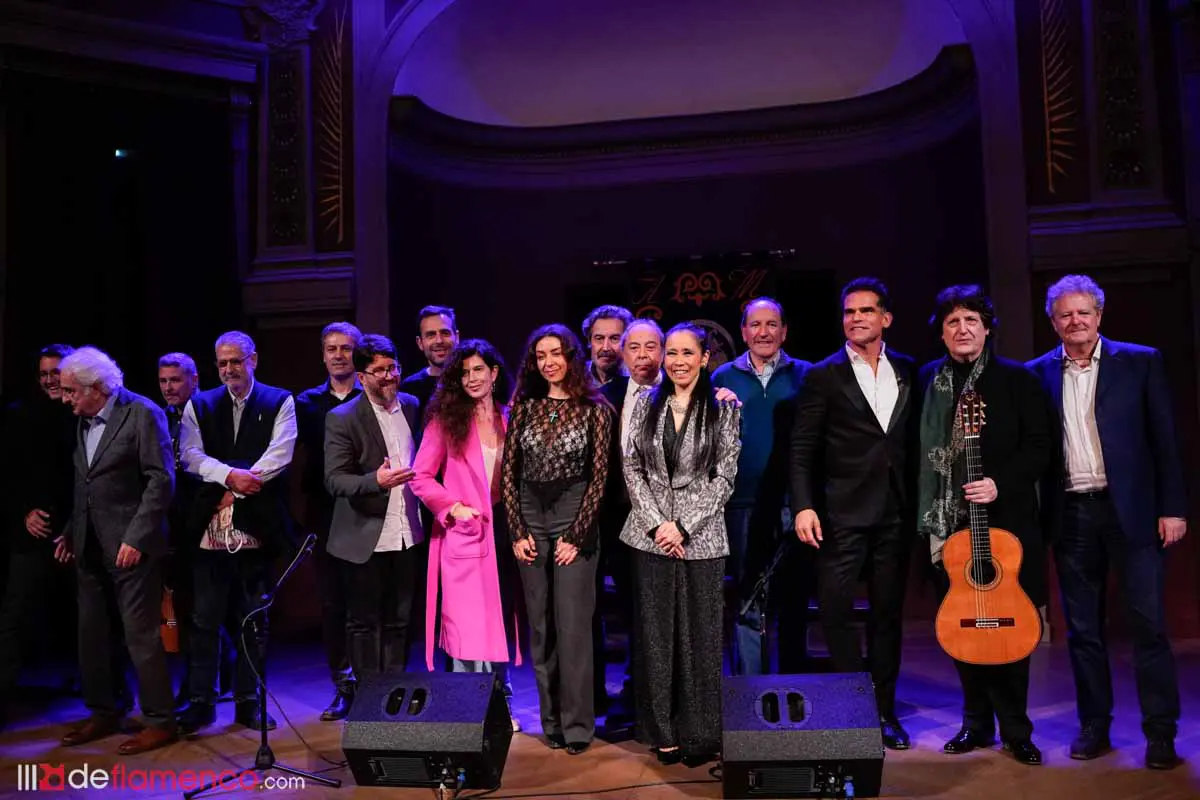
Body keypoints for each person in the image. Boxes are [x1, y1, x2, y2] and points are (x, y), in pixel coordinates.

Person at [1027, 275, 1186, 770]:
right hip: (1072, 512)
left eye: (1084, 313)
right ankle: (1094, 725)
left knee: (1148, 626)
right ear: (1053, 322)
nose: (1075, 321)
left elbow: (1165, 440)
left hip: (1132, 510)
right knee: (1083, 631)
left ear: (1099, 316)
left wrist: (1173, 507)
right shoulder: (1036, 374)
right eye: (1065, 314)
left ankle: (1160, 733)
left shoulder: (1140, 361)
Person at [917, 285, 1052, 766]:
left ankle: (1017, 728)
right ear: (941, 332)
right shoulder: (929, 381)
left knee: (1011, 629)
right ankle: (975, 723)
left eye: (971, 320)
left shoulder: (1018, 380)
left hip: (1008, 526)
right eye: (952, 322)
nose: (962, 329)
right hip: (947, 526)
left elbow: (1040, 446)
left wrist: (1001, 483)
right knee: (964, 628)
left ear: (987, 327)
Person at [789, 278, 918, 749]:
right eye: (849, 311)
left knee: (886, 615)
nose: (856, 318)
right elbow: (802, 448)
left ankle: (884, 712)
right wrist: (803, 505)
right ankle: (852, 710)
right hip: (840, 513)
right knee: (837, 612)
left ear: (885, 318)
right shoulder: (822, 375)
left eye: (866, 311)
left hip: (896, 513)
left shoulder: (908, 369)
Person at [622, 322, 741, 767]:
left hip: (703, 537)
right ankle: (662, 731)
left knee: (702, 637)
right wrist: (657, 526)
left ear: (705, 358)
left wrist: (684, 526)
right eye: (671, 353)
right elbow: (631, 467)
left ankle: (701, 733)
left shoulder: (724, 408)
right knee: (656, 637)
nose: (677, 361)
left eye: (687, 353)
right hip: (649, 538)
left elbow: (725, 476)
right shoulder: (645, 405)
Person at [56, 346, 178, 754]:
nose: (67, 399)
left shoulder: (142, 413)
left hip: (132, 546)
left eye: (72, 392)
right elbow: (85, 483)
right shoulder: (82, 420)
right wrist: (72, 530)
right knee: (91, 633)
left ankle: (160, 720)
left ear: (96, 388)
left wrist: (136, 537)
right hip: (90, 544)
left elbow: (160, 480)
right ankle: (104, 710)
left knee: (140, 636)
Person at [501, 323, 613, 755]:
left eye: (556, 354)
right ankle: (551, 722)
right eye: (540, 355)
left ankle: (578, 725)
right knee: (541, 627)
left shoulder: (595, 409)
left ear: (571, 356)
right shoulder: (525, 407)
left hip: (574, 517)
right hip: (529, 517)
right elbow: (508, 474)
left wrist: (578, 535)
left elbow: (599, 479)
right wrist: (516, 531)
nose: (548, 363)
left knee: (573, 627)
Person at [177, 331, 296, 734]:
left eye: (236, 361)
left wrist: (244, 485)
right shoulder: (200, 403)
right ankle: (201, 702)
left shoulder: (279, 400)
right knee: (204, 619)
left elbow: (280, 454)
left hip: (257, 524)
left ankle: (249, 703)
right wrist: (229, 478)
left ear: (253, 360)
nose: (229, 369)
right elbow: (190, 456)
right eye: (222, 363)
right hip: (208, 526)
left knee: (252, 620)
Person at [410, 339, 521, 731]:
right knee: (466, 629)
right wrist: (451, 507)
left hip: (505, 535)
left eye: (479, 370)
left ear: (494, 374)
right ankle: (466, 709)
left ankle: (500, 704)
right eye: (465, 371)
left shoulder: (512, 417)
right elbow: (420, 477)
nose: (472, 378)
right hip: (464, 534)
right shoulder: (445, 421)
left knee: (500, 624)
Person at [713, 297, 810, 675]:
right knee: (747, 597)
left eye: (772, 324)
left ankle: (793, 690)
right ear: (743, 331)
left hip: (793, 503)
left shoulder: (807, 374)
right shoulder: (721, 377)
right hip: (741, 503)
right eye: (755, 324)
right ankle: (752, 693)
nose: (763, 332)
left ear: (784, 331)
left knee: (792, 599)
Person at [325, 335, 425, 684]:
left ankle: (393, 695)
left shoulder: (412, 406)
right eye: (378, 370)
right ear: (362, 376)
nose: (387, 376)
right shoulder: (342, 417)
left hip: (407, 535)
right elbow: (335, 480)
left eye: (392, 367)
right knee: (364, 623)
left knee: (400, 621)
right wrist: (375, 481)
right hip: (364, 537)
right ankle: (369, 702)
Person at [0, 345, 80, 722]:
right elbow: (7, 476)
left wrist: (72, 528)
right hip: (31, 532)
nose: (50, 380)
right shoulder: (18, 416)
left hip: (76, 532)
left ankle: (104, 693)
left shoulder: (84, 414)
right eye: (44, 374)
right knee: (16, 615)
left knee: (87, 614)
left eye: (56, 373)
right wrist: (23, 514)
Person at [295, 322, 363, 720]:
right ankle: (342, 686)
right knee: (333, 603)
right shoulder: (306, 402)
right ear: (322, 355)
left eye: (346, 348)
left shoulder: (369, 395)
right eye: (332, 348)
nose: (339, 355)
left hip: (364, 510)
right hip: (324, 514)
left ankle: (373, 686)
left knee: (366, 604)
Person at [401, 306, 460, 419]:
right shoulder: (409, 388)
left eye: (445, 333)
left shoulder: (471, 382)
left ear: (457, 337)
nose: (439, 341)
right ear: (420, 343)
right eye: (431, 335)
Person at [582, 305, 633, 386]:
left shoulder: (637, 380)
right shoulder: (576, 377)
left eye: (614, 338)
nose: (606, 348)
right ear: (589, 342)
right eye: (599, 338)